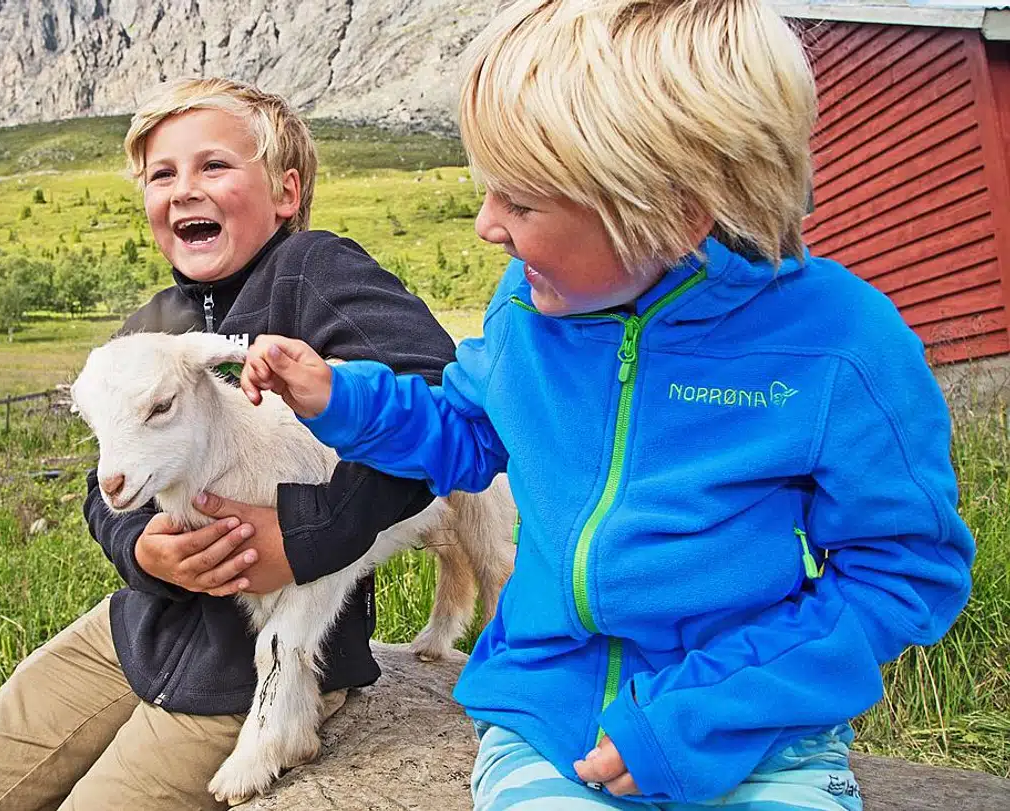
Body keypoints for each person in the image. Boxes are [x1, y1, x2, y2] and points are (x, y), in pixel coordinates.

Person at [235, 1, 977, 808]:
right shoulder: (530, 308)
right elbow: (465, 433)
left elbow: (904, 569)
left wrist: (707, 713)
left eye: (521, 203)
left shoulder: (839, 343)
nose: (488, 226)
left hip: (752, 731)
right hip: (551, 716)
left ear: (674, 212)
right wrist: (340, 396)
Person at [0, 76, 457, 811]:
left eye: (214, 166)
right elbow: (104, 485)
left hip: (247, 676)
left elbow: (438, 400)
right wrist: (140, 547)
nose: (184, 189)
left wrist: (305, 533)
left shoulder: (316, 274)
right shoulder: (153, 323)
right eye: (162, 174)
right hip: (135, 628)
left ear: (285, 193)